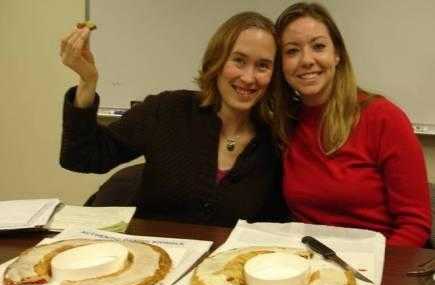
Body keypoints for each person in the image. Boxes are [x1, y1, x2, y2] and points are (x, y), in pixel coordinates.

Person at [59, 12, 288, 227]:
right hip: (154, 260)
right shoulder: (168, 110)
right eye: (238, 60)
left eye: (263, 66)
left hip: (224, 266)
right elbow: (82, 156)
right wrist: (87, 81)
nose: (248, 77)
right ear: (217, 62)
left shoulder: (277, 141)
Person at [273, 2, 431, 247]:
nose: (306, 60)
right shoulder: (286, 123)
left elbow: (415, 226)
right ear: (280, 65)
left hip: (376, 264)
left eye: (318, 46)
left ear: (337, 55)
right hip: (308, 261)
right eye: (292, 51)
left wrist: (367, 273)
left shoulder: (383, 118)